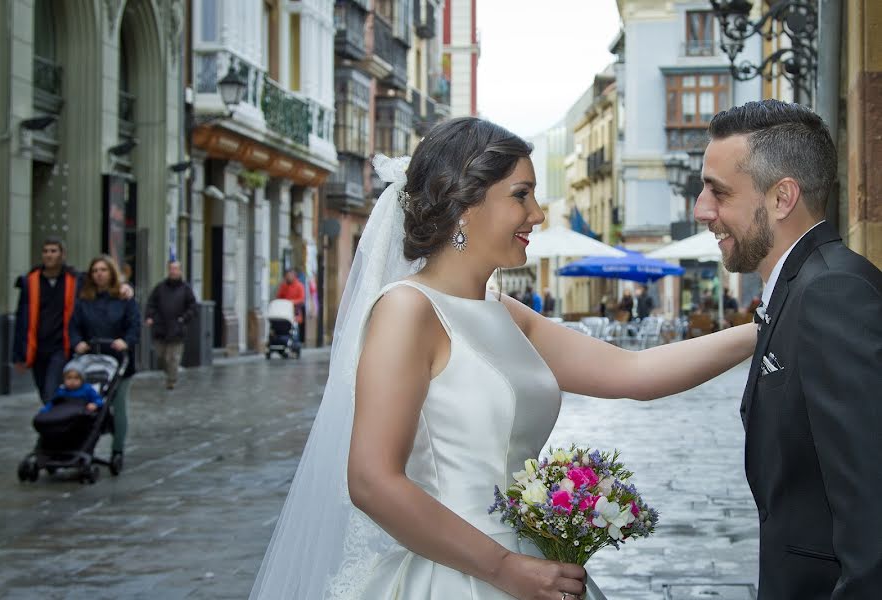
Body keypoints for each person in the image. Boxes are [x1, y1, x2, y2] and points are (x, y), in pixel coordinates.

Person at [250, 118, 757, 600]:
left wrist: (762, 329)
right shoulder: (407, 311)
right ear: (464, 205)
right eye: (521, 195)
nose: (537, 214)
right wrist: (502, 568)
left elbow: (636, 373)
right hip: (461, 572)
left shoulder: (505, 312)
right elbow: (371, 480)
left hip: (531, 566)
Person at [695, 99, 882, 598]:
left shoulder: (831, 294)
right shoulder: (801, 291)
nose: (701, 210)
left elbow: (872, 511)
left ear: (782, 198)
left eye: (718, 192)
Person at [12, 237, 133, 404]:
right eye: (45, 251)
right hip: (37, 346)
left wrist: (125, 286)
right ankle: (57, 422)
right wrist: (18, 354)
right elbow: (22, 317)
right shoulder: (30, 281)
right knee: (43, 392)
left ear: (62, 255)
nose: (49, 255)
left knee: (52, 391)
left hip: (62, 346)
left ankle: (55, 425)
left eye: (53, 251)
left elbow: (102, 280)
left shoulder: (75, 279)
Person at [69, 256, 141, 465]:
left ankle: (117, 449)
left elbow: (134, 325)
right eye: (95, 271)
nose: (99, 274)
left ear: (111, 273)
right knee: (85, 402)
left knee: (118, 404)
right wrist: (77, 342)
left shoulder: (123, 298)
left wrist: (126, 341)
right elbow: (74, 325)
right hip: (90, 360)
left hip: (118, 361)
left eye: (103, 270)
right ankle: (81, 445)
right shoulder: (84, 300)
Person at [145, 260, 197, 390]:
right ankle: (168, 374)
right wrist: (150, 316)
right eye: (171, 269)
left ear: (180, 271)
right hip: (161, 328)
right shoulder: (160, 288)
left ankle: (171, 381)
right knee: (161, 357)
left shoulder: (186, 289)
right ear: (168, 270)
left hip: (177, 328)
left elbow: (192, 307)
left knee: (173, 357)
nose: (173, 271)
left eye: (176, 269)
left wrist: (183, 318)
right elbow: (151, 303)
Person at [275, 269, 306, 341]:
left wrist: (291, 302)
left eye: (290, 275)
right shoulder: (284, 286)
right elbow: (279, 296)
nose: (288, 277)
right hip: (283, 312)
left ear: (294, 276)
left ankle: (295, 343)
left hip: (294, 312)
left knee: (294, 328)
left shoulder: (299, 286)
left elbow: (301, 299)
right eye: (287, 276)